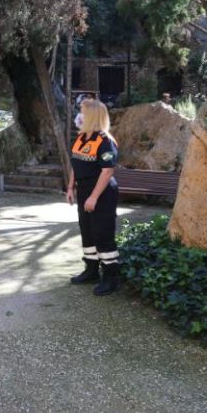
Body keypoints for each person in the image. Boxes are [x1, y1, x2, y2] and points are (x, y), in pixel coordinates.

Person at [66, 98, 121, 296]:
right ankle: (91, 270)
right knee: (87, 232)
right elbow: (76, 164)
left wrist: (94, 197)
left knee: (102, 234)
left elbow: (107, 172)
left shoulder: (105, 141)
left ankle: (111, 277)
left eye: (83, 112)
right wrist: (71, 187)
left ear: (93, 116)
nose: (79, 116)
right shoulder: (81, 138)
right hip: (84, 191)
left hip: (102, 193)